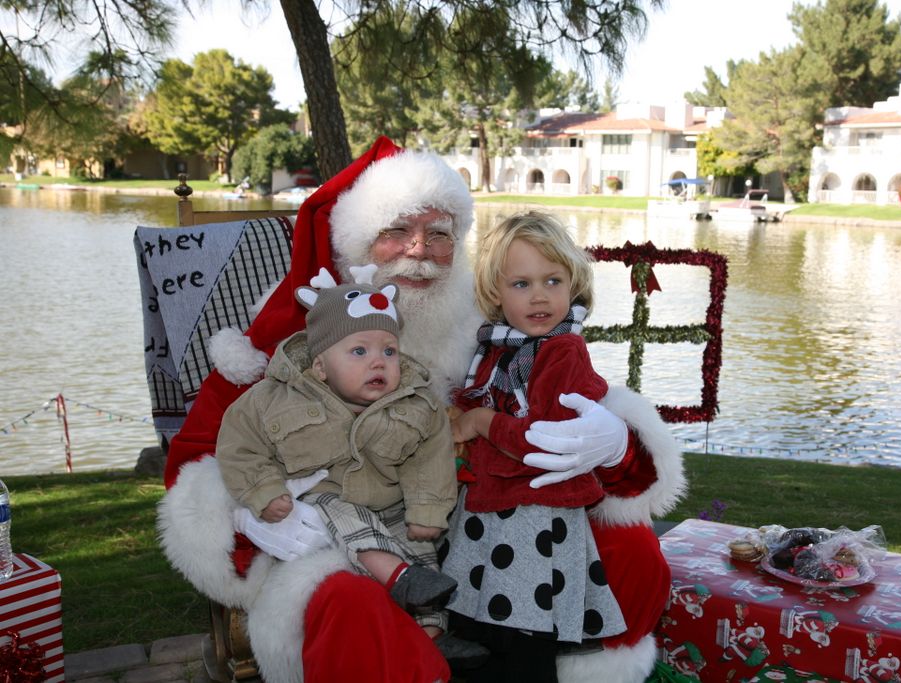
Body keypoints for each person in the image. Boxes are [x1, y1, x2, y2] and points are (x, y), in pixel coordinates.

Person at [158, 136, 685, 683]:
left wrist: (620, 441)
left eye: (439, 234)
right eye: (395, 232)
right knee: (348, 598)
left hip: (475, 516)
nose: (420, 249)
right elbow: (202, 455)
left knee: (630, 548)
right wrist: (253, 512)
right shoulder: (291, 334)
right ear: (357, 245)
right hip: (337, 538)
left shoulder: (483, 321)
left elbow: (564, 407)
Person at [214, 264, 484, 664]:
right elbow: (239, 447)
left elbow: (430, 459)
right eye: (359, 351)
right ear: (320, 366)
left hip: (390, 505)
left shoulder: (417, 403)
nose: (378, 362)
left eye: (388, 351)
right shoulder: (271, 399)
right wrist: (263, 492)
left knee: (422, 545)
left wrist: (426, 510)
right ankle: (395, 574)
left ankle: (429, 635)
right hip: (321, 505)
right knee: (335, 510)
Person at [443, 211, 626, 681]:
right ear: (495, 292)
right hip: (491, 515)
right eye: (521, 284)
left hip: (534, 522)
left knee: (524, 641)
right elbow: (477, 400)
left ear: (574, 284)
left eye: (553, 280)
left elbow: (544, 440)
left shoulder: (563, 352)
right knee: (479, 637)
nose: (540, 295)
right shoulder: (498, 350)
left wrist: (481, 422)